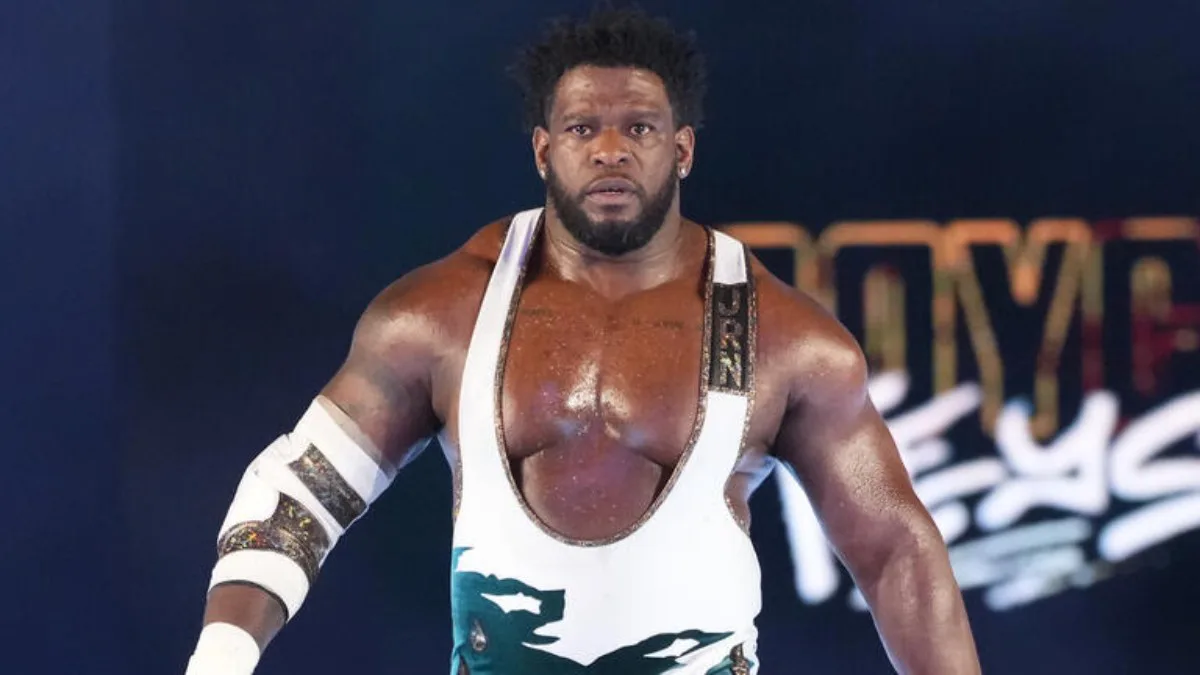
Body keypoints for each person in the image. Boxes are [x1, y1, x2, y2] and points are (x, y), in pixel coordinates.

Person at [184, 8, 981, 675]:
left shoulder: (784, 340)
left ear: (683, 148)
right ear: (543, 149)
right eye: (581, 127)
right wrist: (218, 658)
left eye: (638, 125)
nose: (610, 149)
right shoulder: (444, 316)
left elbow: (897, 554)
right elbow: (303, 490)